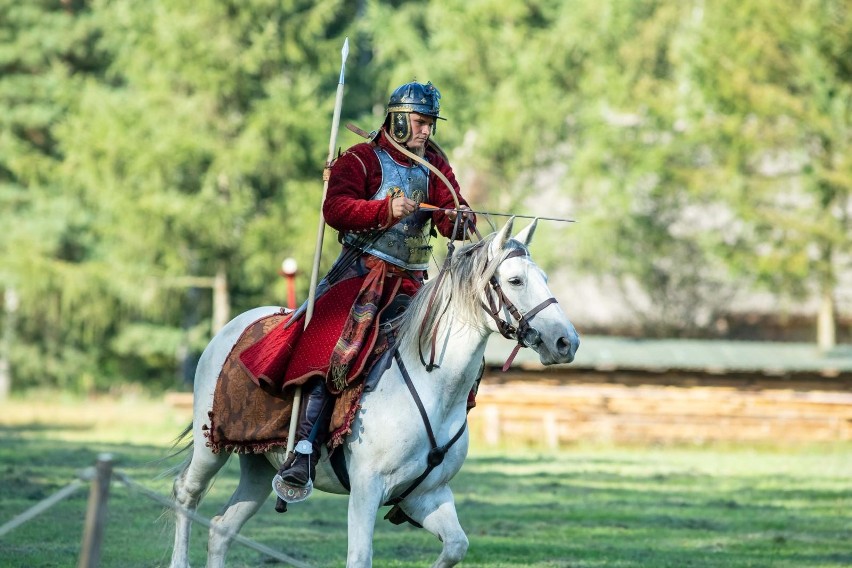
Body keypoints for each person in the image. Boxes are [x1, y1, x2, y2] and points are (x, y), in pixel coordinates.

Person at [252, 81, 475, 490]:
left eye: (431, 125)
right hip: (360, 272)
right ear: (401, 120)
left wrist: (458, 219)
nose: (427, 132)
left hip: (413, 283)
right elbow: (335, 208)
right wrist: (383, 209)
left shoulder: (435, 164)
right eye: (421, 123)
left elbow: (449, 208)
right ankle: (303, 450)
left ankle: (422, 460)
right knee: (335, 346)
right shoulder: (361, 159)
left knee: (451, 347)